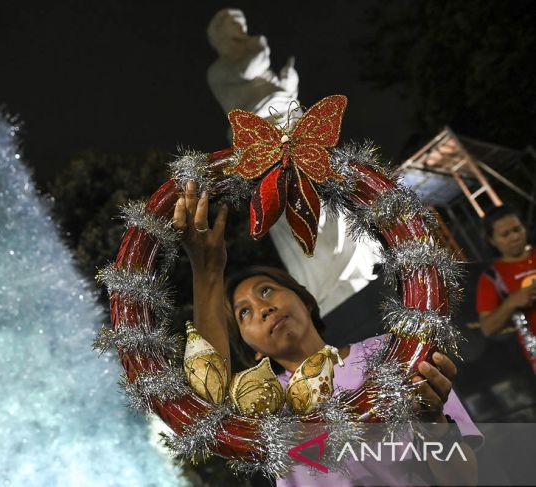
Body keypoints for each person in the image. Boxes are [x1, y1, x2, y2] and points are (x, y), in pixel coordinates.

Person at [173, 180, 479, 486]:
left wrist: (434, 426)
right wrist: (207, 272)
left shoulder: (394, 354)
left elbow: (464, 481)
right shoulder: (263, 403)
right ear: (252, 349)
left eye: (266, 291)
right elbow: (207, 407)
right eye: (244, 312)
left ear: (305, 301)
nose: (263, 308)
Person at [476, 205, 536, 373]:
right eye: (505, 234)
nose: (514, 237)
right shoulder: (492, 278)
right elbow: (487, 328)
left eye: (517, 229)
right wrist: (511, 303)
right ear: (492, 240)